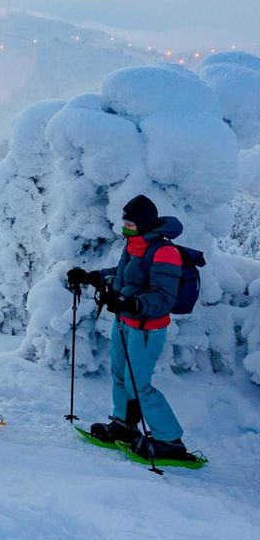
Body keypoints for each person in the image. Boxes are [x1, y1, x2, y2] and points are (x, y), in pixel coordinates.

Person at [67, 194, 192, 461]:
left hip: (147, 329)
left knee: (140, 385)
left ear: (145, 224)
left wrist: (130, 302)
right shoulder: (133, 246)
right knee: (120, 376)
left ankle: (170, 440)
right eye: (124, 222)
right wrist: (90, 277)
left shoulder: (165, 252)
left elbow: (163, 298)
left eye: (131, 224)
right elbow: (123, 275)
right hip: (124, 323)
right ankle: (124, 425)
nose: (125, 227)